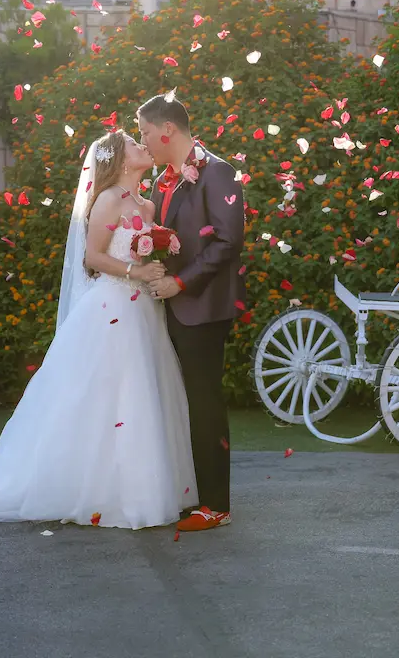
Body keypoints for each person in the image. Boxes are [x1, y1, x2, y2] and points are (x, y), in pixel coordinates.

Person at [0, 130, 198, 529]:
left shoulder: (147, 206)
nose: (143, 147)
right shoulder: (108, 200)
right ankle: (104, 491)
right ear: (119, 159)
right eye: (134, 145)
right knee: (108, 393)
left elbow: (143, 247)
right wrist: (136, 270)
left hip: (144, 310)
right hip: (113, 306)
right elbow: (93, 257)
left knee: (144, 391)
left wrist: (156, 266)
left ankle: (141, 485)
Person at [138, 93, 246, 533]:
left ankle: (216, 505)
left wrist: (180, 282)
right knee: (181, 402)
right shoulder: (165, 180)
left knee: (204, 404)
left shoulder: (216, 172)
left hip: (202, 306)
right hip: (171, 305)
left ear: (168, 130)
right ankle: (191, 493)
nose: (143, 141)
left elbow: (227, 241)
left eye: (146, 132)